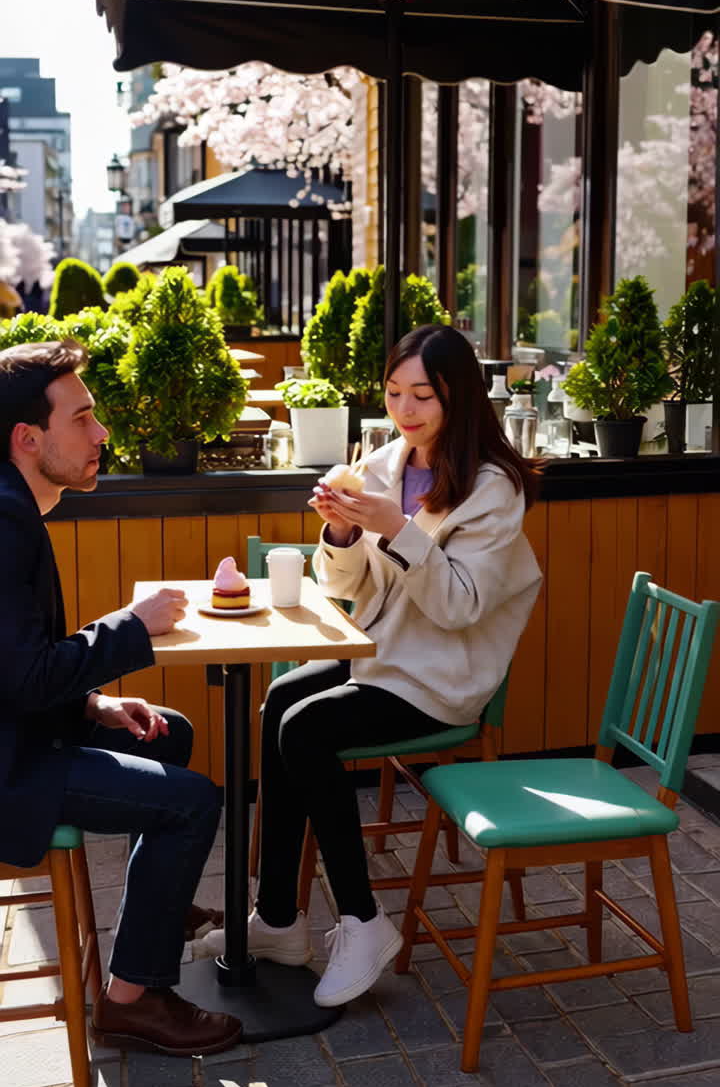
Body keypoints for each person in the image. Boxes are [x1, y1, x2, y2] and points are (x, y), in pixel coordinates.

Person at [198, 324, 543, 1008]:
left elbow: (458, 607)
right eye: (393, 392)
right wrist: (342, 534)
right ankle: (280, 920)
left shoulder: (493, 488)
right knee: (278, 709)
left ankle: (362, 921)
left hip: (443, 674)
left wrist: (394, 527)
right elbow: (352, 591)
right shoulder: (387, 461)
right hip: (381, 653)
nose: (405, 409)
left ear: (459, 397)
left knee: (306, 731)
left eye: (423, 395)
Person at [0, 340, 244, 1058]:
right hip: (10, 769)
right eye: (84, 419)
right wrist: (131, 627)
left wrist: (97, 707)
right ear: (28, 438)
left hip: (22, 734)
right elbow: (23, 678)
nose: (102, 434)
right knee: (195, 801)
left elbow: (14, 668)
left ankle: (156, 921)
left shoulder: (15, 508)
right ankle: (132, 1001)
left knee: (167, 733)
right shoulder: (5, 523)